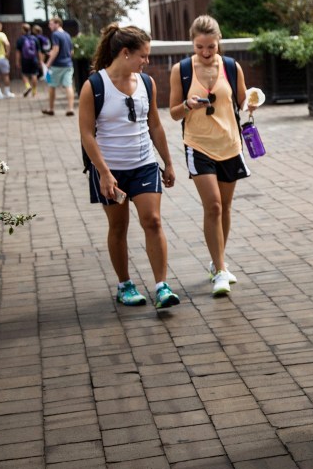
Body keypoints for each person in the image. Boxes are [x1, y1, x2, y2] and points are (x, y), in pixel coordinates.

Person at [78, 23, 180, 310]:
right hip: (111, 170)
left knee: (153, 221)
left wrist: (168, 162)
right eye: (143, 56)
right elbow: (86, 133)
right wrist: (104, 173)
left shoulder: (146, 83)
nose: (147, 61)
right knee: (119, 226)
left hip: (144, 164)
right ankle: (124, 284)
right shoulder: (94, 86)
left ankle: (161, 286)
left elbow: (155, 125)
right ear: (125, 53)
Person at [168, 15, 252, 298]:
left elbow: (242, 101)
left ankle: (218, 260)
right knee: (213, 206)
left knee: (225, 207)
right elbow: (172, 113)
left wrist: (253, 100)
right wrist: (187, 105)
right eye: (200, 47)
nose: (205, 53)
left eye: (211, 47)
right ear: (193, 43)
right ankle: (220, 269)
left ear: (219, 43)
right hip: (198, 145)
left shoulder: (231, 67)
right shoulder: (181, 69)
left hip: (229, 144)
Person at [43, 16, 76, 116]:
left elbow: (56, 50)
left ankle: (51, 109)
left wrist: (48, 63)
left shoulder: (55, 34)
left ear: (57, 24)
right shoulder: (67, 35)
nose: (49, 26)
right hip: (68, 64)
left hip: (57, 65)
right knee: (68, 86)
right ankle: (70, 109)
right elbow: (71, 52)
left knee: (52, 86)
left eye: (51, 23)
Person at [15, 23, 42, 97]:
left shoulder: (20, 39)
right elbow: (39, 51)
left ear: (23, 30)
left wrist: (17, 61)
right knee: (34, 74)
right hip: (34, 59)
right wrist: (40, 61)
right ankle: (34, 91)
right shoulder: (35, 38)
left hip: (25, 60)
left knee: (24, 74)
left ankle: (27, 86)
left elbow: (18, 52)